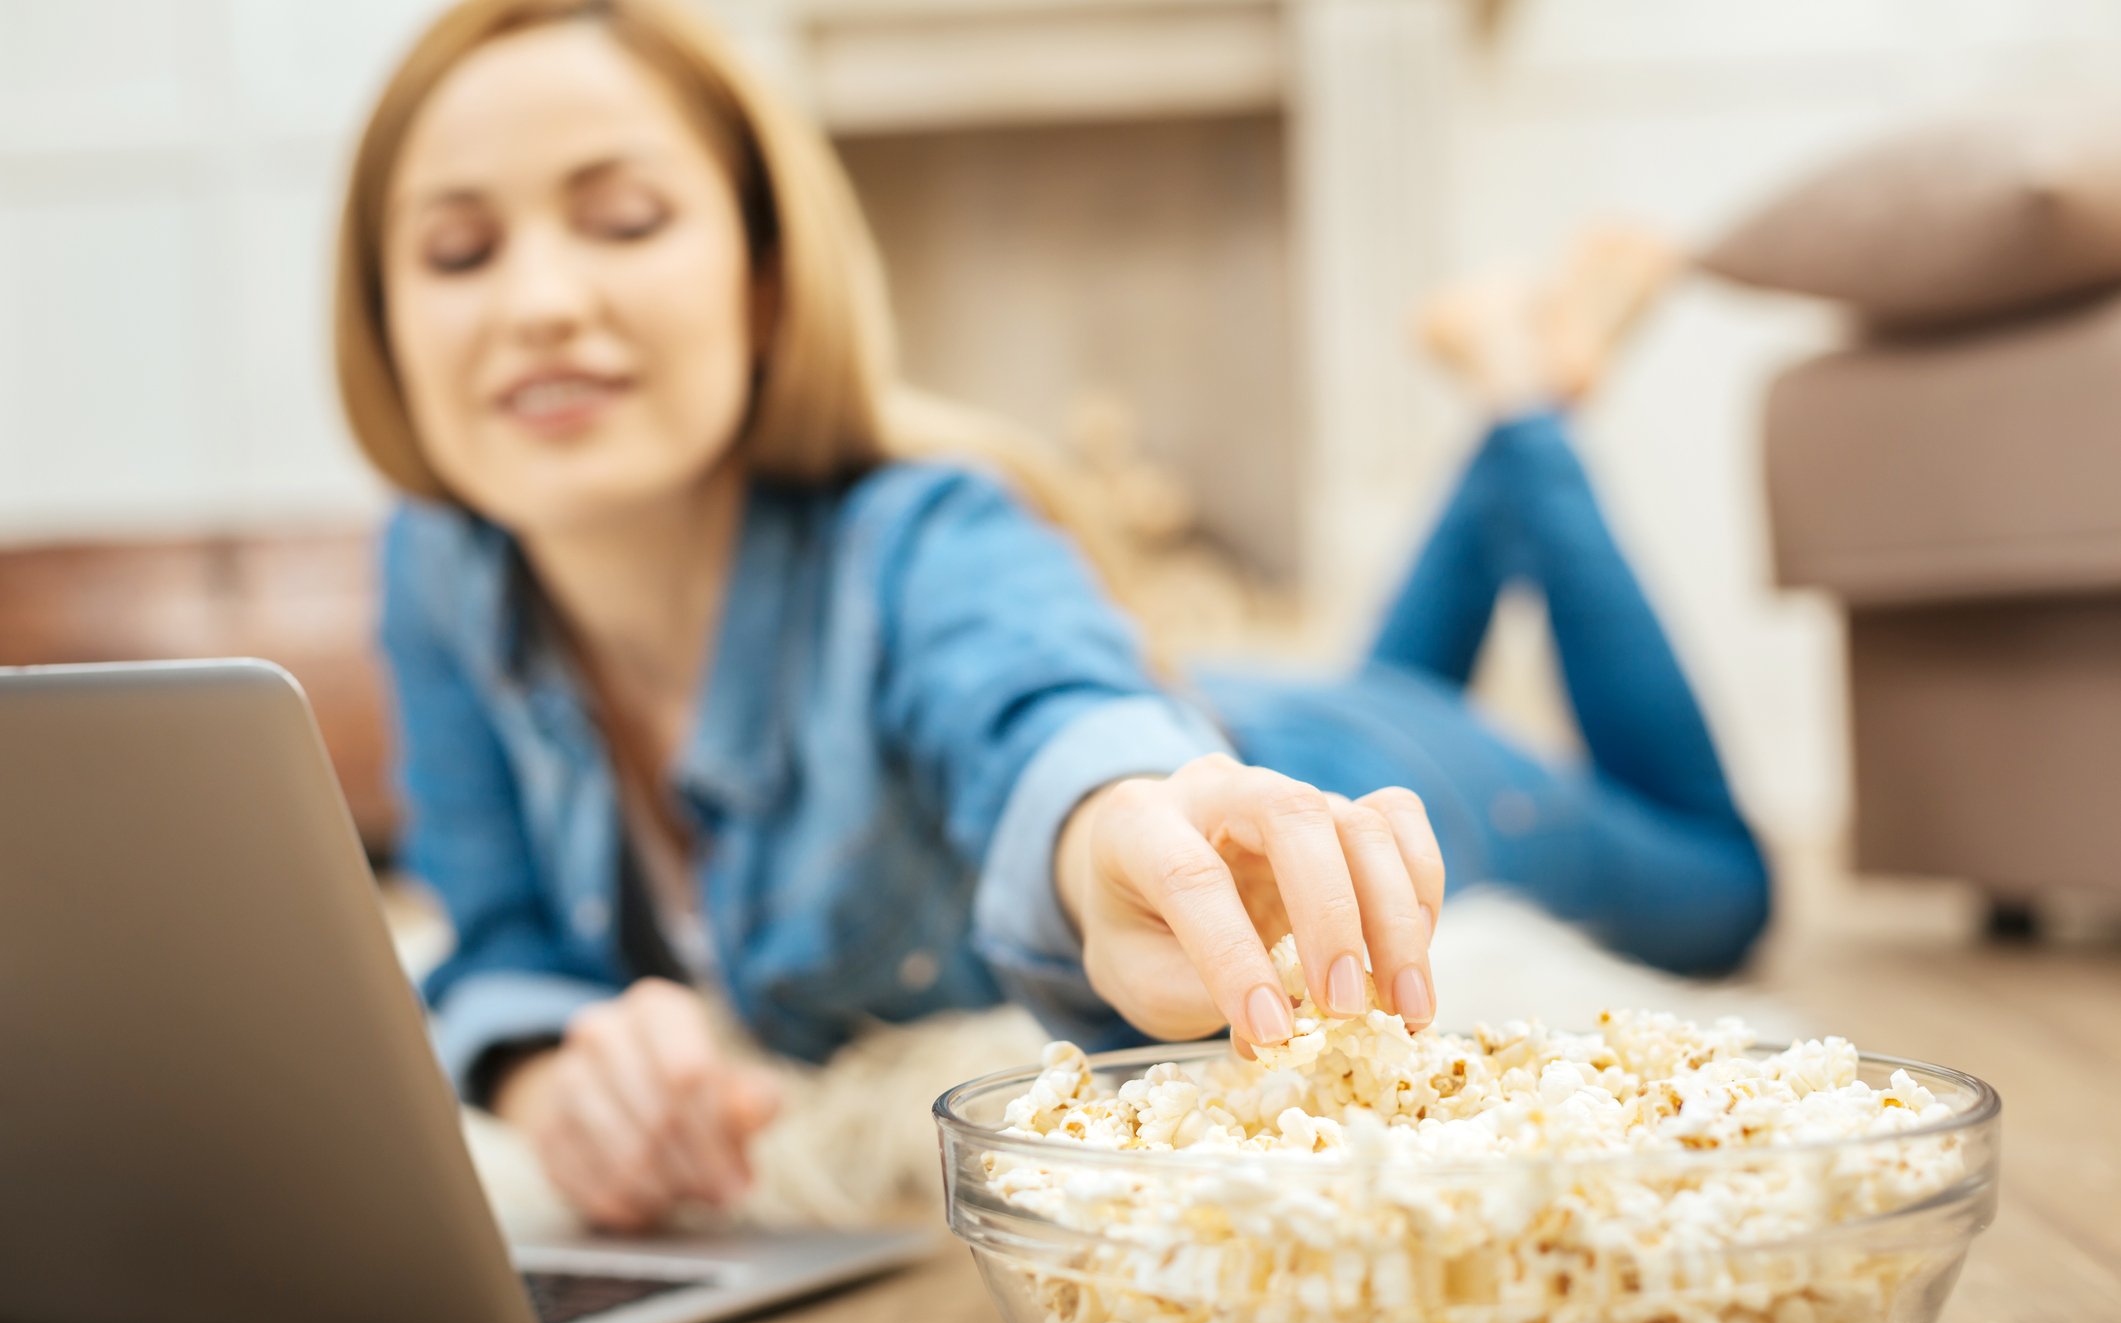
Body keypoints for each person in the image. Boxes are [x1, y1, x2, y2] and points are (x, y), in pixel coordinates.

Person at [337, 0, 1767, 1232]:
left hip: (1312, 773)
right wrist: (539, 1068)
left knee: (1719, 884)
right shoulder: (440, 566)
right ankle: (1508, 424)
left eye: (624, 220)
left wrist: (1109, 840)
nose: (534, 298)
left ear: (766, 284)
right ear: (389, 321)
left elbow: (1047, 717)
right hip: (1248, 706)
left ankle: (1522, 409)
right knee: (1390, 680)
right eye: (457, 252)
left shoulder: (923, 526)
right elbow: (496, 928)